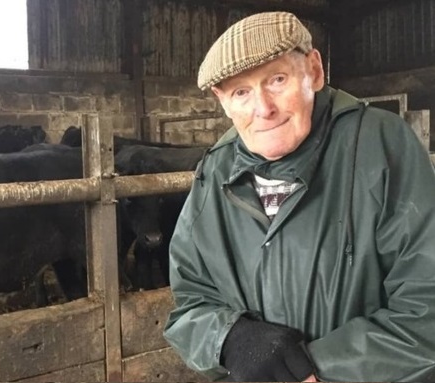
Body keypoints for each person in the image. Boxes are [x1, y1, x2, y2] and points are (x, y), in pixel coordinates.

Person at [163, 11, 435, 382]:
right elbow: (191, 301)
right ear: (222, 101)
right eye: (241, 92)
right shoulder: (215, 171)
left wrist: (312, 368)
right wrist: (230, 338)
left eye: (277, 80)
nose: (263, 109)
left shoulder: (382, 146)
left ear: (315, 71)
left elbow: (426, 305)